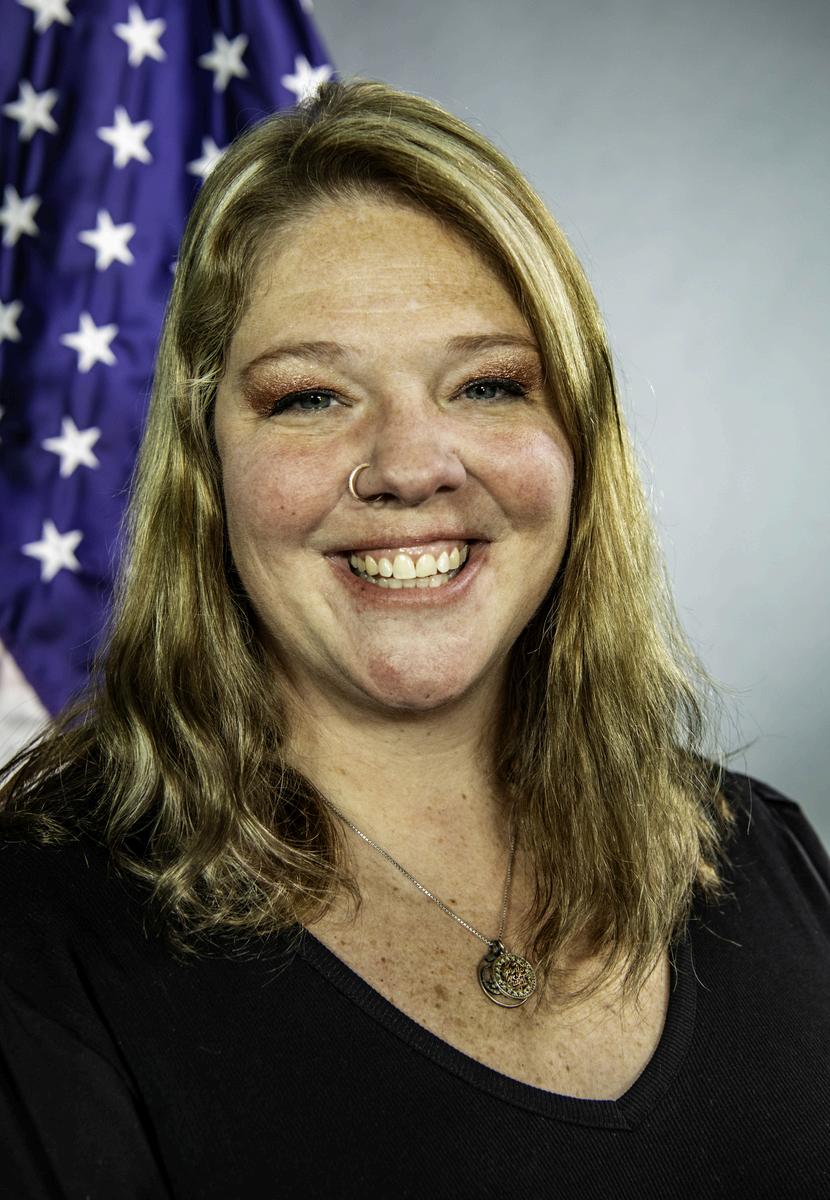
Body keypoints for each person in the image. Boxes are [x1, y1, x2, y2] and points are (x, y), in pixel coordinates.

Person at [0, 79, 827, 1199]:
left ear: (579, 441)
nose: (409, 465)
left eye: (486, 384)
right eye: (310, 397)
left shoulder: (765, 858)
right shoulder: (38, 933)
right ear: (206, 466)